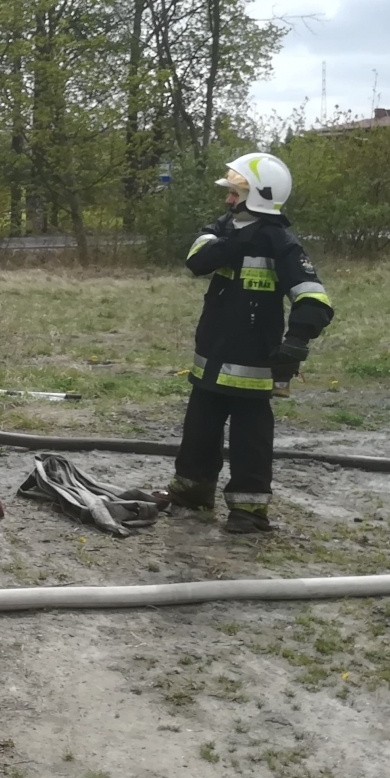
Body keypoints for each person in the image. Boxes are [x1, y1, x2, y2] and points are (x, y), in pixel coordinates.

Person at [166, 152, 334, 534]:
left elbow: (313, 298)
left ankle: (249, 510)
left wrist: (296, 341)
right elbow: (197, 260)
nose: (228, 200)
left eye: (235, 193)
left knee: (251, 440)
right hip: (210, 358)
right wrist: (241, 239)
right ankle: (191, 493)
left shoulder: (282, 244)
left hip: (253, 365)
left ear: (258, 195)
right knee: (199, 433)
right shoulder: (224, 229)